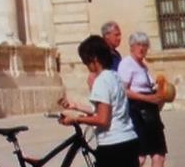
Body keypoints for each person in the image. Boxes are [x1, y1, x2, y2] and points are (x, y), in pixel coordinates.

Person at [58, 35, 139, 167]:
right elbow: (106, 108)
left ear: (94, 59)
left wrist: (76, 119)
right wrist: (76, 106)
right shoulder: (115, 77)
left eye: (86, 62)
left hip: (113, 145)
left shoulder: (101, 81)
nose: (86, 66)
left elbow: (103, 119)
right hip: (128, 140)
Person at [118, 32, 168, 167]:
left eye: (145, 45)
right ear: (131, 47)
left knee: (159, 154)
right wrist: (147, 98)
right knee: (140, 156)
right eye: (138, 45)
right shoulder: (127, 64)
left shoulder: (144, 67)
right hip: (137, 112)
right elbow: (123, 91)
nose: (142, 48)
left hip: (151, 114)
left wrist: (161, 93)